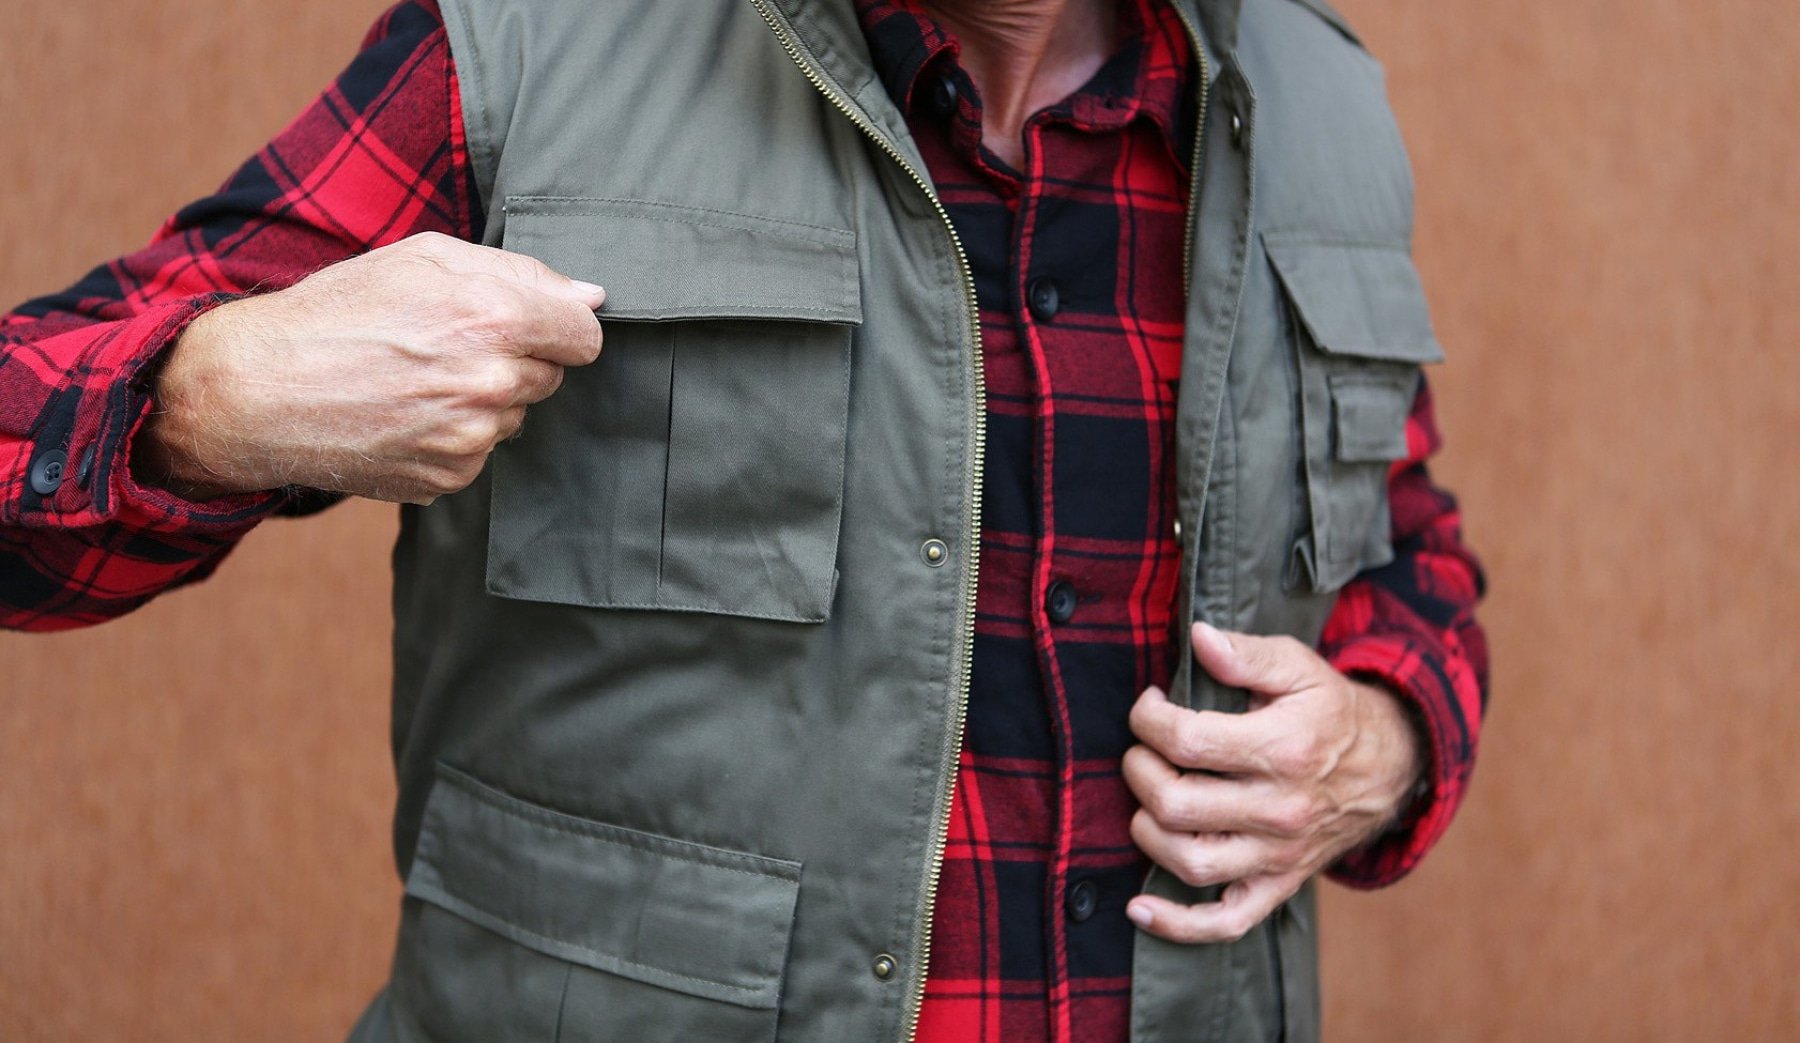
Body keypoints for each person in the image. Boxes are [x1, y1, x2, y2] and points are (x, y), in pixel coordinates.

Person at [0, 0, 1488, 1039]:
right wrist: (202, 396)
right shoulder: (526, 45)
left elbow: (1403, 545)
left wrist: (1386, 739)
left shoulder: (1320, 101)